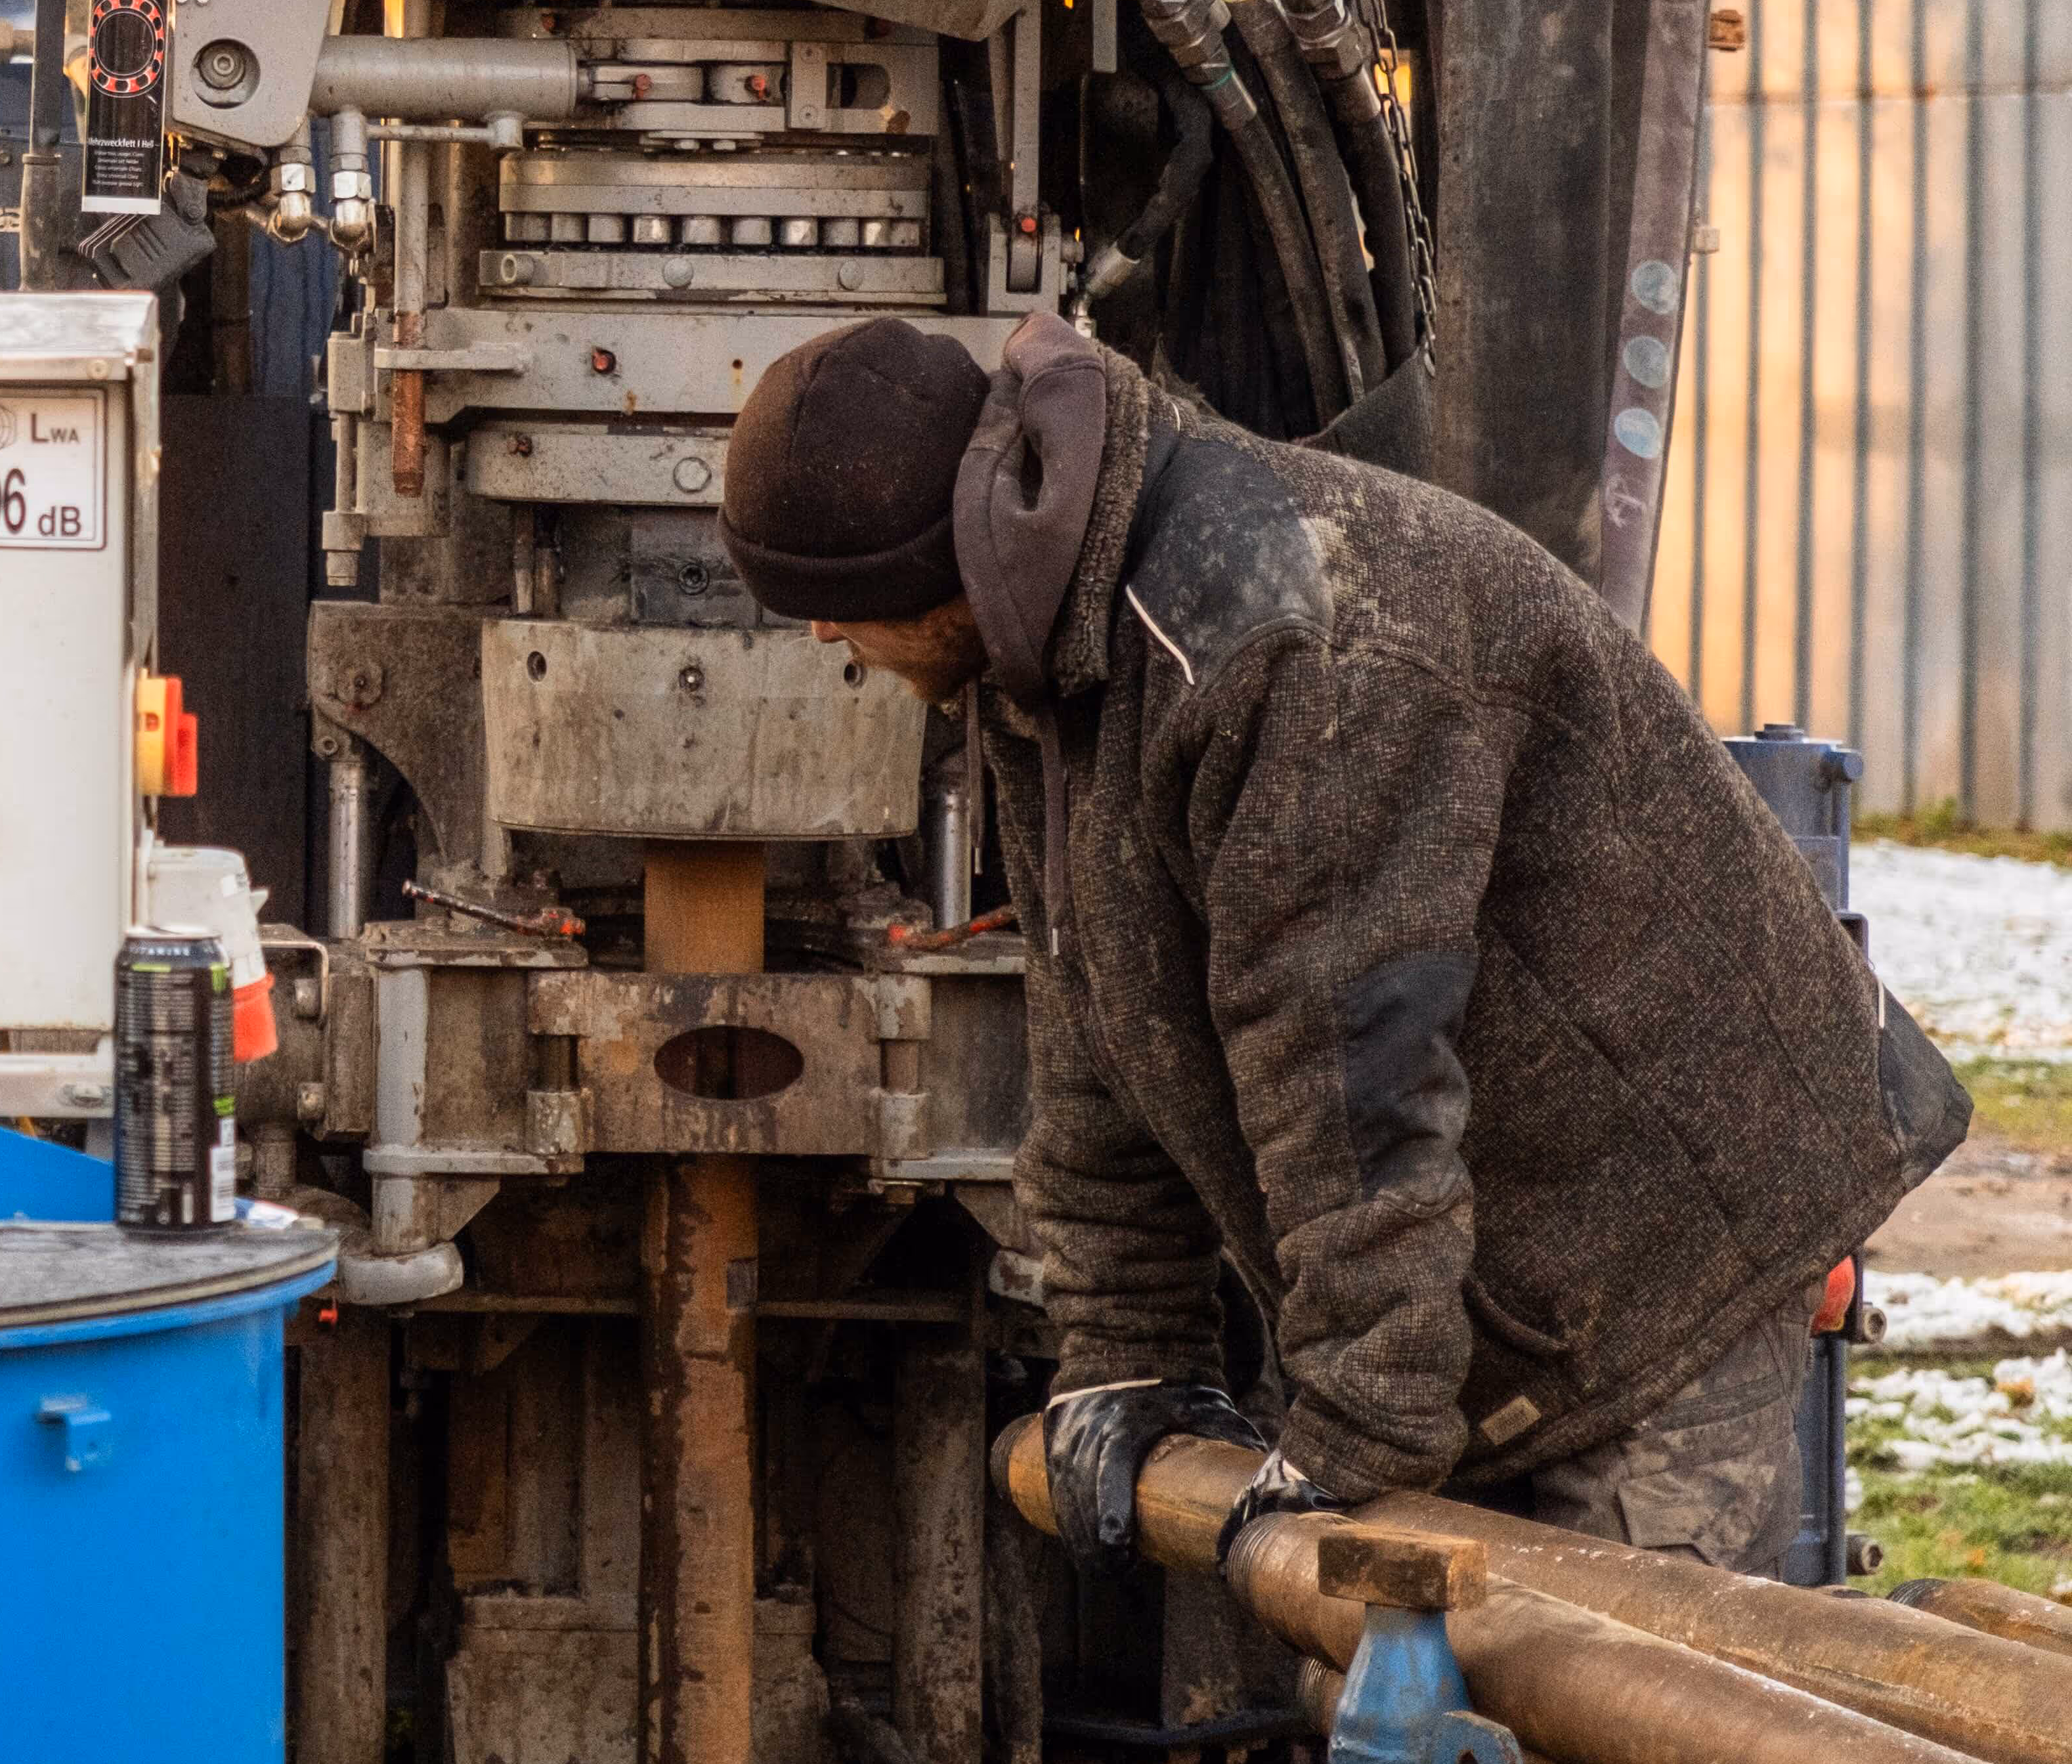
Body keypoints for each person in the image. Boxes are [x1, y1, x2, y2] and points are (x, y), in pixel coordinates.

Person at [718, 311, 1967, 1574]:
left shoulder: (1277, 641)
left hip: (1664, 1234)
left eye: (839, 607)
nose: (826, 640)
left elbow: (1346, 1050)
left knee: (1616, 1710)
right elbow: (1097, 1010)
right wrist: (1130, 1346)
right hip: (1511, 1226)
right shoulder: (1045, 643)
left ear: (941, 559)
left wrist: (1364, 1416)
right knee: (1456, 1713)